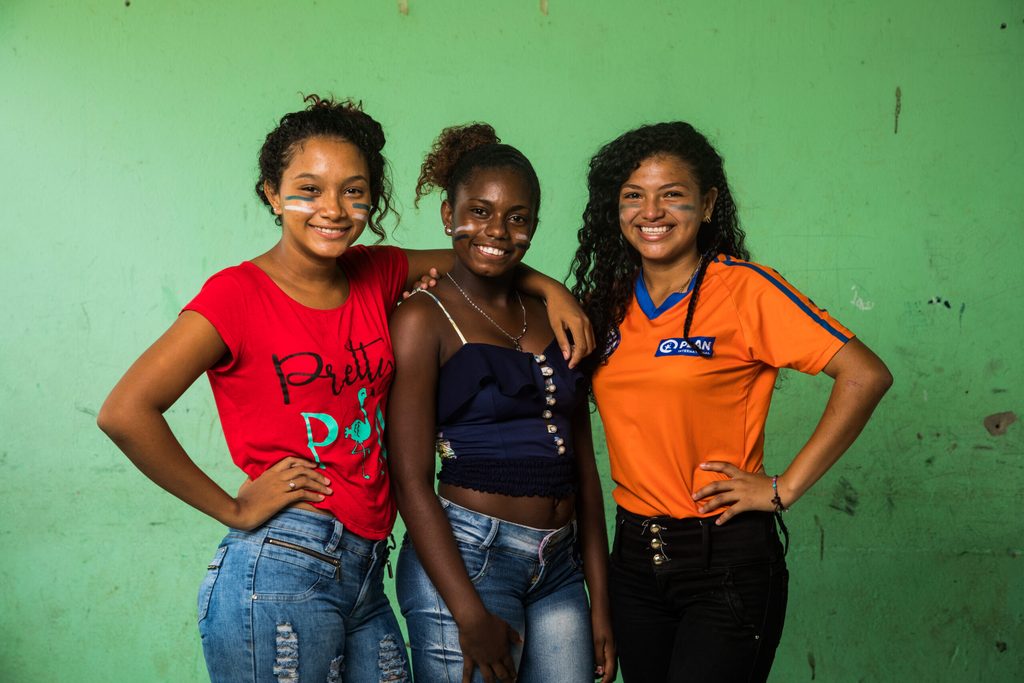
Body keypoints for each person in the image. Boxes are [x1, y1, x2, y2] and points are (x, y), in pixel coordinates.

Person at [96, 95, 592, 683]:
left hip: (363, 567)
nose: (332, 209)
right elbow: (125, 412)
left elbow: (484, 257)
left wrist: (554, 291)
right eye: (308, 189)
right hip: (282, 562)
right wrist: (231, 507)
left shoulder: (374, 271)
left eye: (353, 192)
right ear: (272, 194)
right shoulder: (238, 295)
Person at [569, 122, 893, 682]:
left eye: (672, 194)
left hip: (724, 560)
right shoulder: (605, 305)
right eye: (633, 196)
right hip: (634, 562)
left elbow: (865, 375)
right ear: (615, 209)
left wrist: (781, 488)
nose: (652, 211)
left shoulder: (745, 290)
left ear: (708, 202)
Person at [387, 123, 616, 683]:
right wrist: (466, 612)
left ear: (534, 226)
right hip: (467, 558)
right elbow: (410, 476)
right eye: (480, 211)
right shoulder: (422, 318)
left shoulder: (557, 315)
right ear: (448, 216)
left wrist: (601, 601)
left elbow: (583, 470)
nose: (498, 230)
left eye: (518, 217)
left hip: (559, 568)